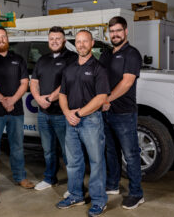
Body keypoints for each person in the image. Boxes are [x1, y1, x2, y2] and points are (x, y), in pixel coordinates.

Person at [56, 30, 110, 217]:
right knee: (73, 162)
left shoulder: (98, 68)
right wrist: (67, 112)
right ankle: (76, 196)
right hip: (71, 120)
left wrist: (79, 113)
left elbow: (101, 97)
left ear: (92, 43)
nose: (81, 45)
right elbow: (62, 94)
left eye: (85, 41)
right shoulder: (69, 68)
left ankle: (98, 201)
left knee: (96, 162)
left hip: (91, 121)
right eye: (78, 42)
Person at [99, 16, 144, 209]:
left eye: (118, 31)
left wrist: (107, 99)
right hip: (105, 112)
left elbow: (127, 82)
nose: (115, 34)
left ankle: (136, 193)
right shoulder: (106, 54)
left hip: (124, 112)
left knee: (131, 154)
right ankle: (112, 184)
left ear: (126, 32)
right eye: (112, 31)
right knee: (111, 151)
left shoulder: (131, 54)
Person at [0, 26, 34, 195]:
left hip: (16, 110)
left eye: (4, 36)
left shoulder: (18, 59)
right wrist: (2, 100)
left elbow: (24, 83)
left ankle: (20, 177)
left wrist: (12, 100)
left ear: (8, 38)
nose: (1, 39)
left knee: (17, 146)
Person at [30, 26, 77, 191]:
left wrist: (49, 98)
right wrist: (38, 99)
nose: (54, 41)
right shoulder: (42, 60)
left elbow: (67, 83)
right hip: (43, 114)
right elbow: (34, 82)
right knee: (48, 150)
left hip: (62, 114)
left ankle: (73, 187)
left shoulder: (72, 58)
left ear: (64, 40)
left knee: (68, 152)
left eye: (58, 38)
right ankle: (50, 179)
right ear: (48, 41)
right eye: (52, 39)